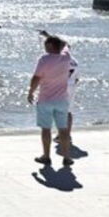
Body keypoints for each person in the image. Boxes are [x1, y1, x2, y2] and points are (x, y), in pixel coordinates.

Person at [27, 35, 74, 167]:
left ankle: (46, 157)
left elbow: (36, 78)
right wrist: (58, 41)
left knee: (46, 129)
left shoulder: (44, 59)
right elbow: (66, 44)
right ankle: (67, 157)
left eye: (46, 44)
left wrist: (31, 92)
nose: (44, 47)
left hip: (45, 100)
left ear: (50, 46)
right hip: (62, 100)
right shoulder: (66, 57)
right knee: (63, 130)